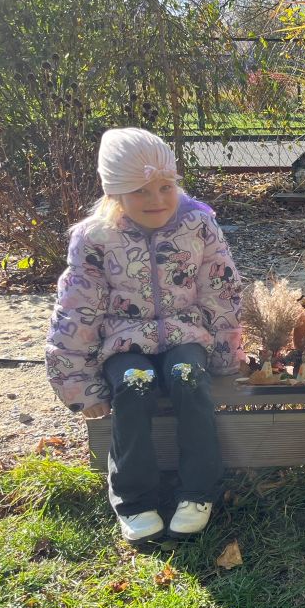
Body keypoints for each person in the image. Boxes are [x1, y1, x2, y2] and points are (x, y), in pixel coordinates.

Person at [46, 128, 244, 544]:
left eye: (165, 187)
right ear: (115, 193)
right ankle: (135, 499)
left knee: (188, 378)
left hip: (184, 330)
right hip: (124, 337)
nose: (156, 200)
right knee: (135, 386)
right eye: (140, 191)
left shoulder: (198, 225)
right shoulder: (95, 238)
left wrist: (226, 351)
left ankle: (197, 491)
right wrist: (81, 385)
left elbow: (220, 289)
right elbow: (78, 310)